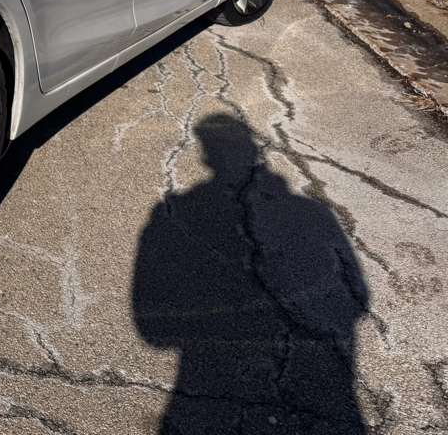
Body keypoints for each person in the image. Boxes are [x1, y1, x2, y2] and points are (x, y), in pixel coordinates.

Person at [132, 113, 368, 433]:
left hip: (202, 398)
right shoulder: (314, 212)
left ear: (204, 155)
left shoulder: (171, 211)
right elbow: (357, 302)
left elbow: (153, 331)